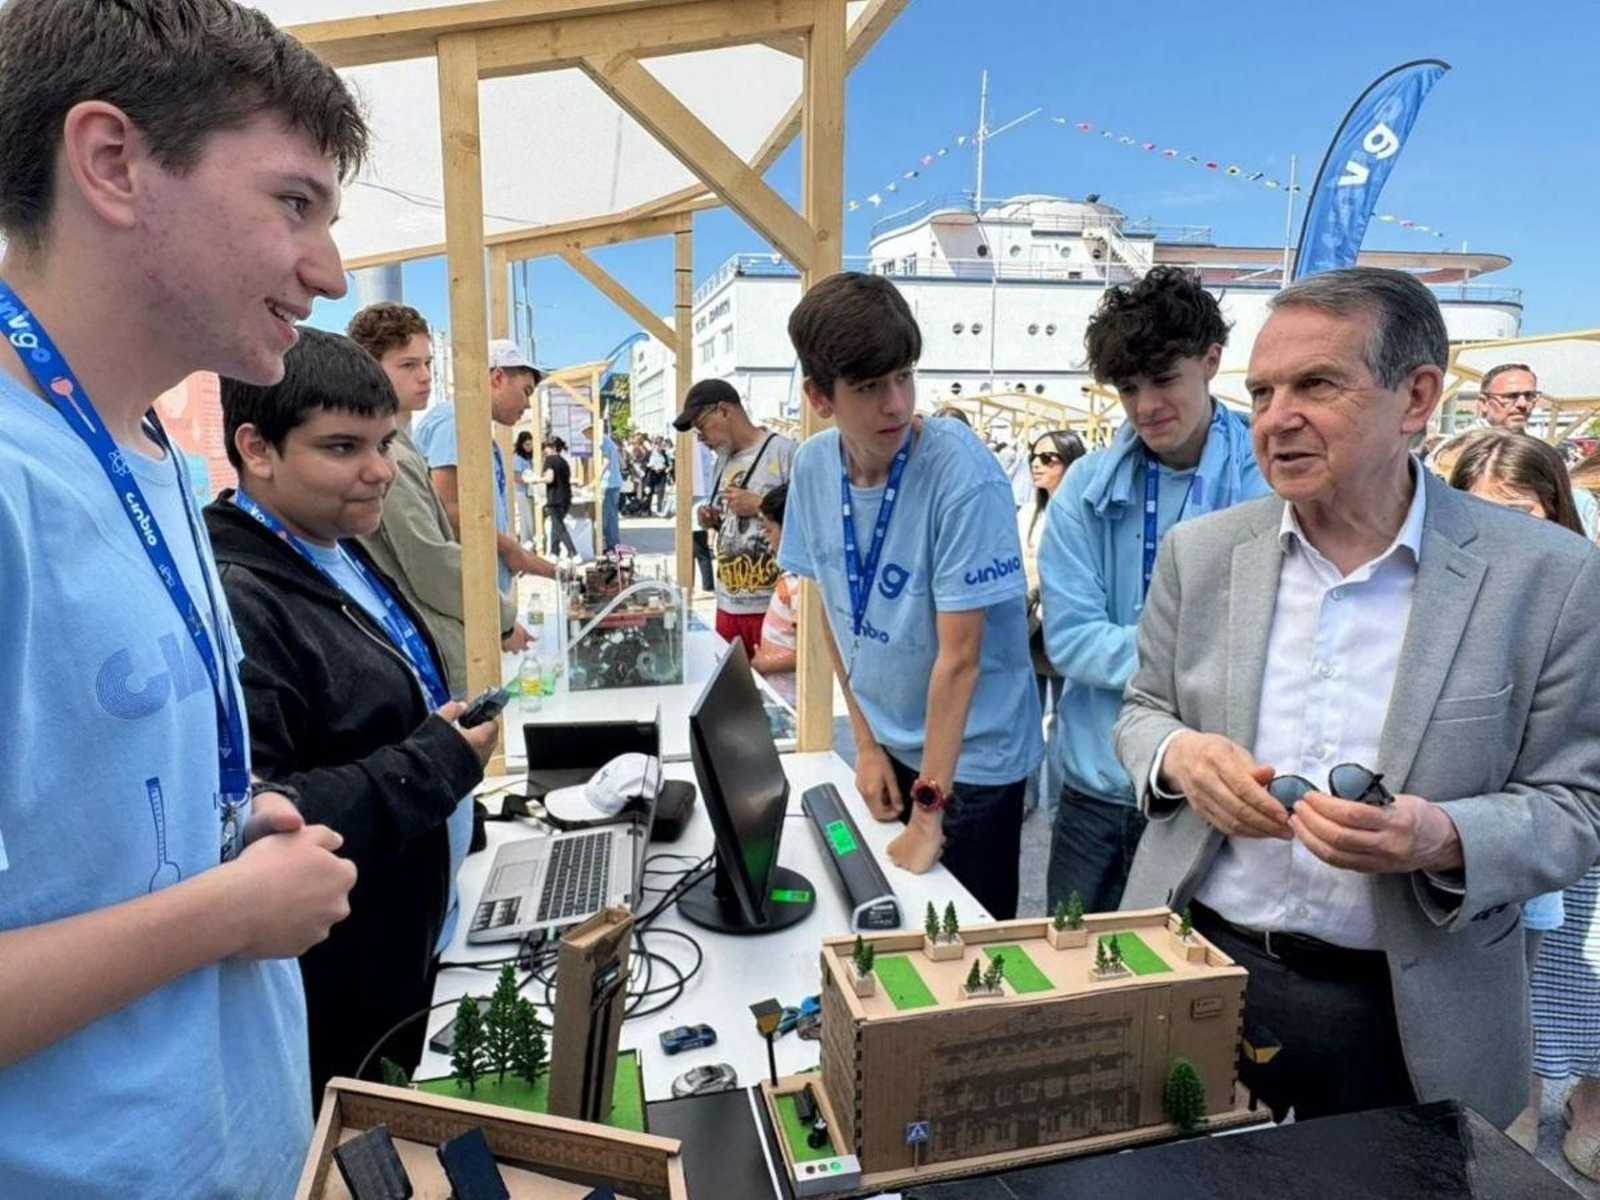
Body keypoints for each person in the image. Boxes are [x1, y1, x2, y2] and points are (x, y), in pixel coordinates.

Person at [0, 2, 364, 1194]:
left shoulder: (151, 451)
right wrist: (224, 914)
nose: (328, 271)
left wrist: (233, 827)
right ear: (112, 162)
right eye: (293, 203)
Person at [1115, 267, 1600, 1128]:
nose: (1276, 418)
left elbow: (1578, 804)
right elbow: (1141, 711)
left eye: (1316, 385)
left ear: (1417, 398)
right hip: (1199, 966)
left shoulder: (1549, 577)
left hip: (1412, 1011)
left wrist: (1445, 836)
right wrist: (1180, 756)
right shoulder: (1201, 554)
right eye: (1262, 392)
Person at [208, 329, 497, 1100]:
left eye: (385, 443)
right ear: (257, 449)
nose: (379, 471)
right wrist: (439, 762)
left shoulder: (330, 540)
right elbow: (264, 819)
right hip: (350, 998)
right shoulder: (239, 597)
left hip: (416, 934)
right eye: (343, 447)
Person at [779, 273, 1043, 919]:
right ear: (820, 397)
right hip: (891, 743)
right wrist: (867, 744)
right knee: (883, 922)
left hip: (973, 763)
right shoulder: (813, 468)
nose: (896, 405)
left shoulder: (962, 476)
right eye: (870, 387)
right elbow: (834, 610)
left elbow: (961, 660)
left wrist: (930, 812)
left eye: (904, 377)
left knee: (962, 940)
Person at [1039, 267, 1268, 915]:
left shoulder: (1268, 478)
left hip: (1213, 792)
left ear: (1211, 361)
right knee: (1074, 963)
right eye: (1128, 388)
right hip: (1097, 788)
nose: (1145, 407)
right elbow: (1071, 642)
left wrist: (1143, 655)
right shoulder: (1085, 487)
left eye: (1164, 379)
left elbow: (1273, 644)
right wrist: (1199, 662)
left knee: (1195, 977)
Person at [1447, 433, 1600, 1169]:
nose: (1503, 533)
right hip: (1480, 828)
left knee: (1572, 971)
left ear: (1555, 512)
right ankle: (1520, 1098)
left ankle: (1580, 1098)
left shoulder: (1581, 588)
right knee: (1501, 976)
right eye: (1480, 512)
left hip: (1567, 823)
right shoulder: (1442, 593)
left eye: (1520, 513)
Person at [346, 302, 526, 698]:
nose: (425, 376)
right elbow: (429, 560)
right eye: (408, 365)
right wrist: (502, 619)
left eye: (427, 363)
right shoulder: (388, 455)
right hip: (428, 649)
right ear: (369, 368)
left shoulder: (399, 444)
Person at [412, 338, 555, 588]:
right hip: (464, 592)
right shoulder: (455, 423)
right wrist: (510, 548)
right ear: (497, 377)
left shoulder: (473, 427)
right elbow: (446, 510)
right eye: (526, 391)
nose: (527, 404)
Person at [674, 378, 796, 657]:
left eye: (701, 426)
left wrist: (759, 505)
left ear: (724, 411)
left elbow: (809, 520)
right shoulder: (722, 461)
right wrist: (711, 519)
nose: (701, 438)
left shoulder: (784, 452)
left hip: (771, 605)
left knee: (770, 681)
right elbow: (728, 519)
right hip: (727, 602)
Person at [1016, 429, 1086, 818]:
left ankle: (1059, 801)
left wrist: (1040, 577)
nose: (1036, 465)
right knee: (1026, 716)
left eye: (1048, 458)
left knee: (1063, 718)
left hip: (1067, 630)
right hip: (1028, 629)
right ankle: (1026, 796)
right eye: (1034, 456)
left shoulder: (1085, 512)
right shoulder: (1027, 513)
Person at [1476, 362, 1597, 536]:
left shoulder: (1543, 455)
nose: (1522, 404)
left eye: (1529, 396)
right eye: (1511, 396)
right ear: (1483, 402)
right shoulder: (1459, 450)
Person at [751, 484, 800, 705]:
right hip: (778, 691)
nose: (766, 537)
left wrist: (766, 665)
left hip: (791, 698)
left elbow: (808, 652)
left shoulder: (800, 586)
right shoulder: (791, 578)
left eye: (769, 530)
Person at [540, 436, 580, 558]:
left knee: (559, 527)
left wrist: (535, 479)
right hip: (566, 498)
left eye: (546, 447)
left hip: (554, 498)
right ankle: (554, 552)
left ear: (553, 448)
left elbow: (549, 478)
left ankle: (573, 553)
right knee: (556, 525)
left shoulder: (549, 460)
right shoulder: (564, 462)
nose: (544, 450)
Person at [513, 429, 537, 544]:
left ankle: (532, 540)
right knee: (525, 519)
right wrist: (529, 480)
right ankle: (525, 541)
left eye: (531, 444)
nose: (529, 447)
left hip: (532, 491)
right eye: (527, 445)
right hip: (523, 492)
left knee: (532, 518)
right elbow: (516, 477)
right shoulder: (518, 459)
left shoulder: (530, 458)